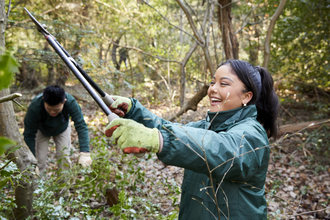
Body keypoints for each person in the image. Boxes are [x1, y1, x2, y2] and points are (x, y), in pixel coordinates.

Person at [105, 59, 279, 219]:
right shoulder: (205, 127)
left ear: (246, 96)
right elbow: (167, 128)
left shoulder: (252, 133)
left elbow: (221, 150)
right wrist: (133, 110)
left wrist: (159, 139)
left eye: (223, 83)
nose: (213, 89)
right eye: (212, 82)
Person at [23, 85, 92, 175]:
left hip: (62, 128)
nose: (52, 112)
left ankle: (63, 187)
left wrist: (85, 152)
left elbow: (81, 125)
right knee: (39, 161)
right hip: (41, 130)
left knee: (63, 158)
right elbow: (29, 134)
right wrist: (31, 160)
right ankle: (36, 187)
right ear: (44, 100)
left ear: (64, 101)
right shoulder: (35, 106)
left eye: (56, 109)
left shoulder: (71, 102)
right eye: (49, 109)